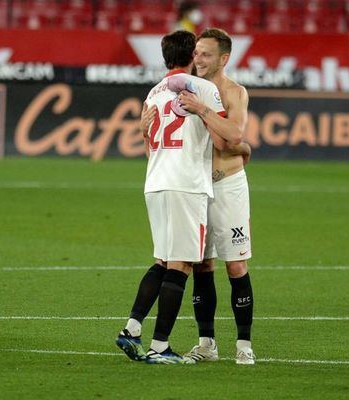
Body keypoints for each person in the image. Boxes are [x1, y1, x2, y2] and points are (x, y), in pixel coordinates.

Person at [115, 30, 242, 365]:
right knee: (182, 264)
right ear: (191, 56)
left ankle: (131, 329)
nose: (201, 59)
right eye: (198, 53)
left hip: (155, 182)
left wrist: (144, 131)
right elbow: (227, 137)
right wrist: (205, 112)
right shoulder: (203, 88)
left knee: (162, 260)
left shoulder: (153, 92)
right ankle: (159, 347)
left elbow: (148, 142)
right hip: (186, 184)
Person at [176, 28, 255, 365]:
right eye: (196, 52)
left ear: (224, 59)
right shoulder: (183, 88)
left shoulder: (234, 92)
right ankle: (206, 343)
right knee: (201, 264)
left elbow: (233, 135)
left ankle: (244, 344)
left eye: (206, 54)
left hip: (228, 185)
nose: (199, 58)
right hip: (196, 187)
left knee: (235, 265)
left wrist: (203, 110)